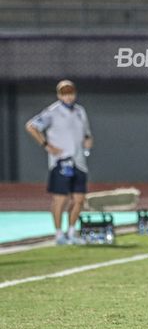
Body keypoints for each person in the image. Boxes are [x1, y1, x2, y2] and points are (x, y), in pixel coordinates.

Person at [26, 80, 93, 245]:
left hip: (79, 161)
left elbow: (86, 133)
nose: (68, 96)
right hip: (61, 162)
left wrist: (88, 140)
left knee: (79, 199)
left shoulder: (80, 111)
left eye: (70, 93)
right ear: (59, 95)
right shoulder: (52, 112)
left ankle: (71, 232)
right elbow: (31, 126)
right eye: (64, 93)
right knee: (60, 200)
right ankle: (58, 234)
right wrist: (47, 145)